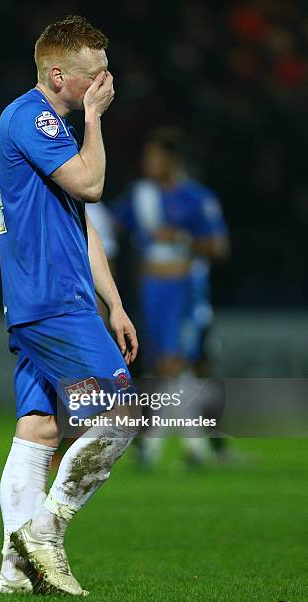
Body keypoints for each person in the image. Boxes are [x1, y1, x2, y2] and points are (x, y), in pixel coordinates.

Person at [0, 15, 138, 597]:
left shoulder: (51, 124)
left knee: (40, 427)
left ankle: (12, 574)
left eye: (108, 73)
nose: (105, 84)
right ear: (58, 75)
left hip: (55, 298)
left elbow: (83, 224)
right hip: (51, 300)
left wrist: (116, 303)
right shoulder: (33, 116)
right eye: (94, 76)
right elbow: (91, 186)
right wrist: (97, 121)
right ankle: (45, 532)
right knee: (123, 412)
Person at [113, 127, 229, 464]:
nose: (147, 162)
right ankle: (196, 448)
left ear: (172, 159)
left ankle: (158, 448)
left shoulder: (196, 197)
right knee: (168, 365)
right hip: (152, 290)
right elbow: (110, 223)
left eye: (154, 156)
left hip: (184, 288)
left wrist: (180, 238)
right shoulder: (140, 195)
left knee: (174, 363)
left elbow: (218, 247)